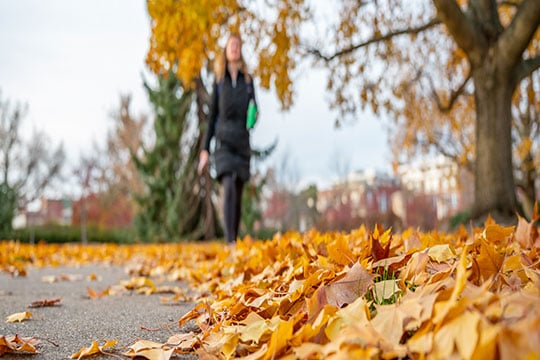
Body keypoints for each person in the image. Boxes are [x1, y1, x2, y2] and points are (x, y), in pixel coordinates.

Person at [198, 33, 258, 243]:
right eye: (231, 45)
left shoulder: (248, 82)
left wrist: (254, 115)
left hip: (242, 141)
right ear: (226, 51)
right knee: (229, 185)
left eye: (238, 45)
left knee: (238, 190)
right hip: (223, 142)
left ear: (240, 51)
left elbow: (254, 108)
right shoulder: (219, 82)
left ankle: (234, 236)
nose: (234, 48)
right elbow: (212, 116)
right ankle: (230, 240)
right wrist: (205, 149)